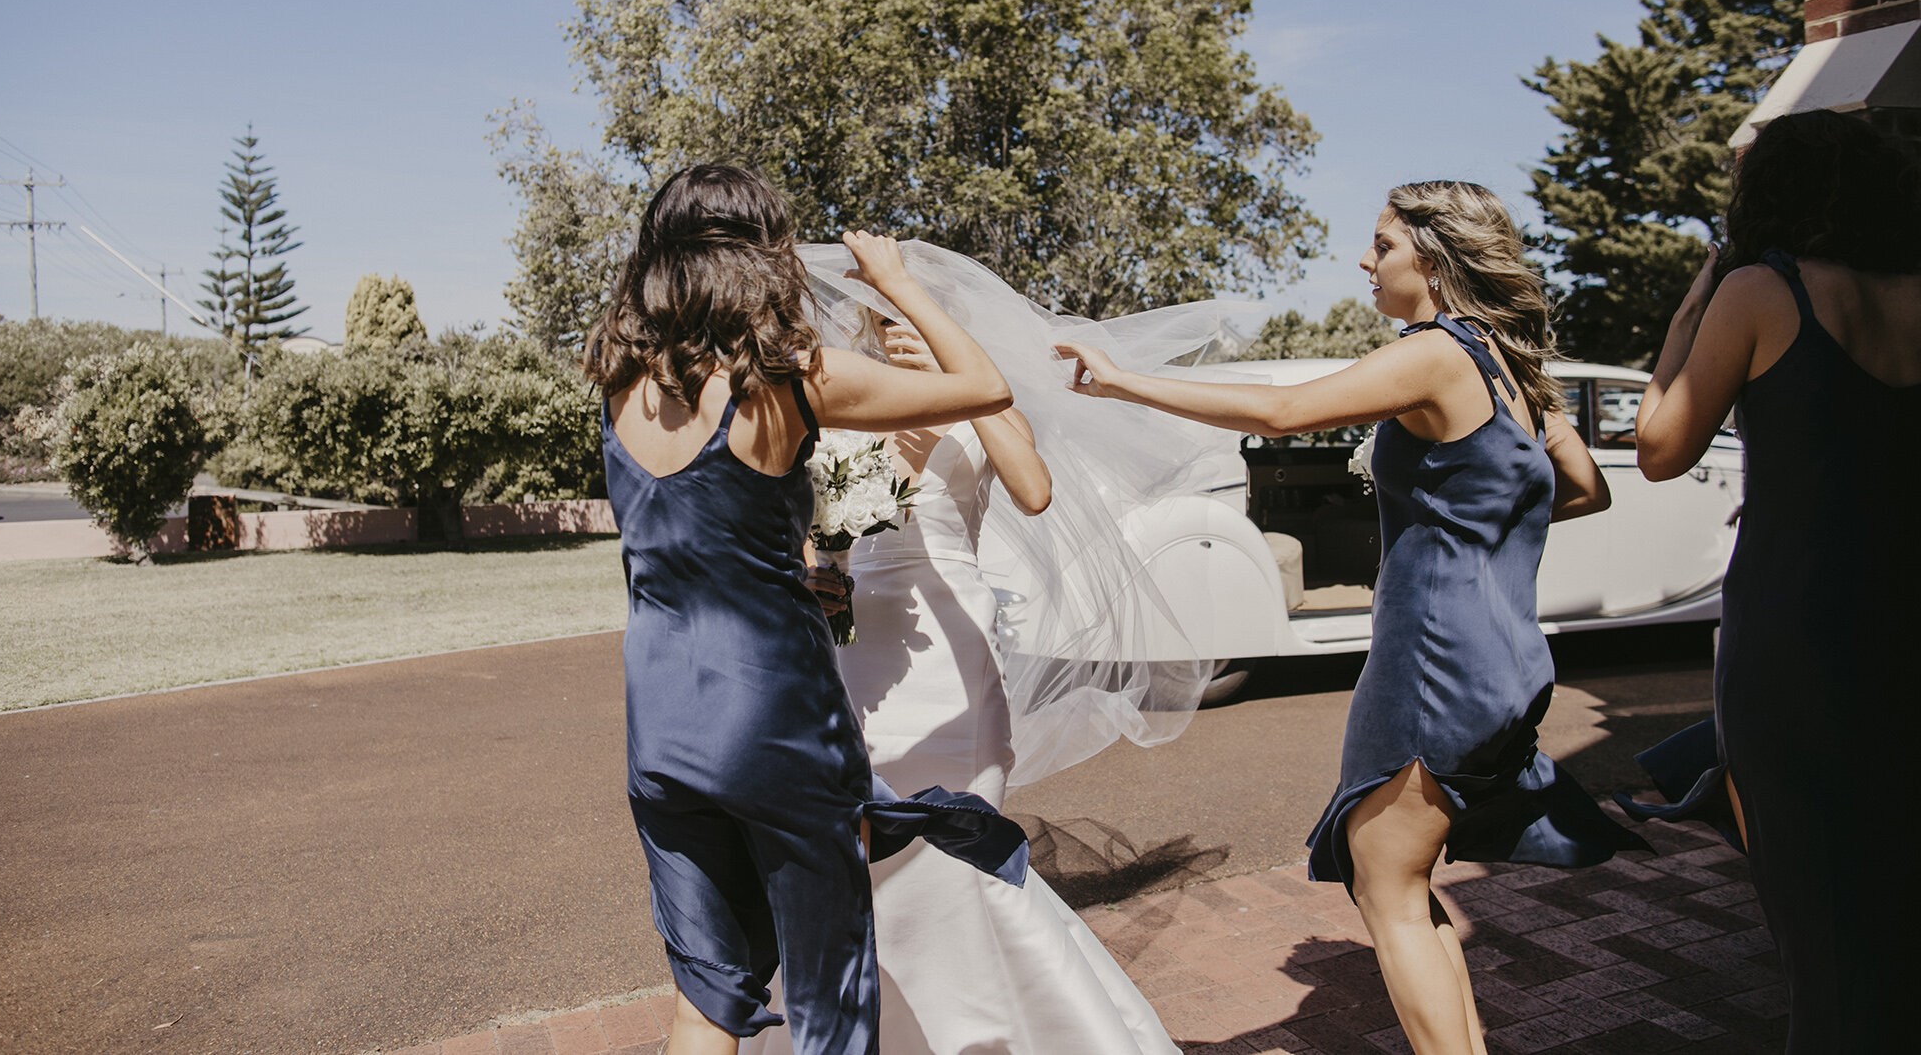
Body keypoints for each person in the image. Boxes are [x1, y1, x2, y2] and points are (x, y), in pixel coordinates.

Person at [1056, 180, 1647, 1055]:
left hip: (1432, 660)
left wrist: (1122, 382)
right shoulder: (1514, 369)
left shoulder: (1441, 352)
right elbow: (1587, 490)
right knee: (1402, 879)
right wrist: (1481, 516)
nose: (1364, 262)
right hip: (1509, 655)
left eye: (1382, 244)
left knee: (1387, 887)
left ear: (1436, 257)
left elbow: (1285, 410)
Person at [586, 165, 1028, 1055]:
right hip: (774, 719)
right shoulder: (794, 381)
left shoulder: (621, 380)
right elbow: (986, 385)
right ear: (763, 254)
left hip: (661, 719)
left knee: (710, 995)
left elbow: (700, 532)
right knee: (830, 1004)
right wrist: (899, 285)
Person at [747, 304, 1181, 1055]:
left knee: (960, 848)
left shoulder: (979, 397)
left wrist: (963, 378)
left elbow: (1034, 487)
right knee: (853, 853)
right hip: (852, 655)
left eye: (910, 313)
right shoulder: (844, 407)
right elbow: (792, 529)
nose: (894, 330)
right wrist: (814, 572)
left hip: (952, 656)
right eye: (879, 317)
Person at [1622, 109, 1921, 1054]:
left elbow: (1660, 445)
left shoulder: (1760, 290)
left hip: (1800, 633)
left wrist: (1692, 302)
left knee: (1823, 938)